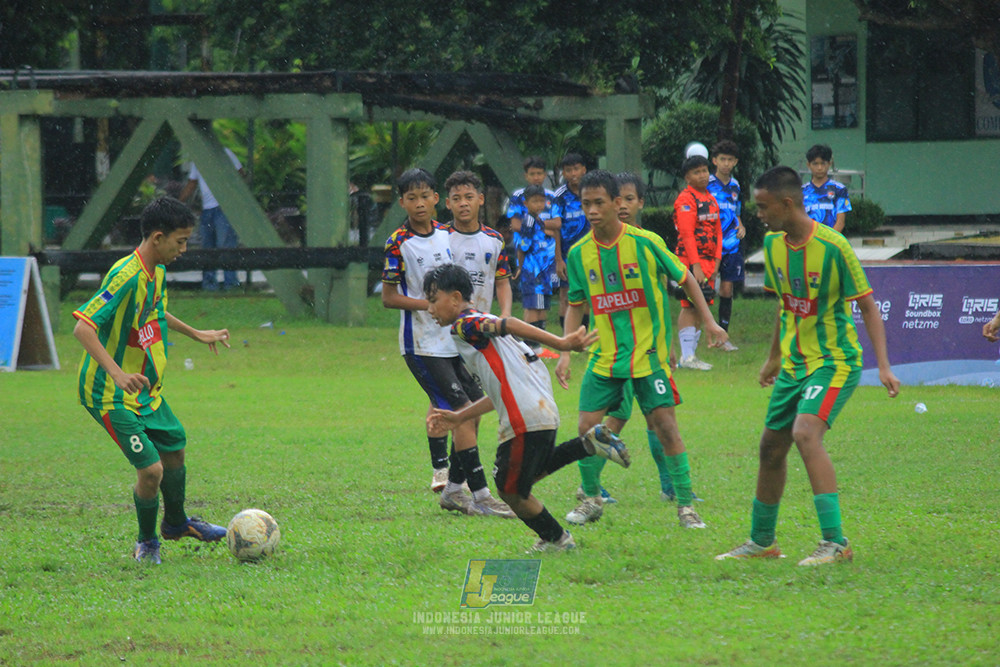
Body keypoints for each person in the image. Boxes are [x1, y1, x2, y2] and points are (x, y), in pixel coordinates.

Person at [716, 166, 900, 566]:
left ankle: (836, 543)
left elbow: (867, 304)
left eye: (764, 207)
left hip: (835, 362)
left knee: (805, 433)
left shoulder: (833, 246)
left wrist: (883, 366)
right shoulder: (774, 245)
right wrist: (773, 357)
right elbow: (786, 307)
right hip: (794, 365)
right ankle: (762, 542)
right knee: (769, 448)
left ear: (787, 203)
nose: (759, 214)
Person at [555, 170, 727, 529]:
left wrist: (709, 321)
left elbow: (686, 278)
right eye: (586, 204)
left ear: (618, 204)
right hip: (605, 359)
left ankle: (685, 505)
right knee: (587, 428)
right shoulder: (578, 254)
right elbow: (575, 304)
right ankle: (591, 499)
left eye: (599, 203)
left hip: (649, 358)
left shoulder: (646, 242)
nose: (592, 211)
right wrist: (566, 351)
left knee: (666, 427)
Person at [424, 263, 630, 552]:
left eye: (433, 300)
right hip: (542, 413)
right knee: (522, 479)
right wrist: (460, 416)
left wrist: (561, 343)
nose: (429, 309)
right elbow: (499, 390)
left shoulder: (465, 324)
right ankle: (587, 445)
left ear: (455, 298)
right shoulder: (482, 324)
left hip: (524, 418)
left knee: (510, 489)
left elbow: (509, 323)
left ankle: (558, 539)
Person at [72, 197, 232, 564]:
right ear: (157, 237)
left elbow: (155, 312)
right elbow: (83, 327)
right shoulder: (125, 276)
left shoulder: (156, 271)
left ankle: (176, 524)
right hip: (110, 393)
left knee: (174, 450)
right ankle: (147, 543)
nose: (184, 249)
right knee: (152, 470)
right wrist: (118, 373)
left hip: (145, 391)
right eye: (180, 241)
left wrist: (198, 334)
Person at [381, 168, 513, 518]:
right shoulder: (398, 242)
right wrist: (430, 305)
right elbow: (389, 298)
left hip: (454, 340)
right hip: (422, 344)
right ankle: (482, 496)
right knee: (460, 413)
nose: (420, 204)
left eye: (425, 196)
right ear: (402, 202)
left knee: (471, 412)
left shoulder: (446, 235)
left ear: (436, 199)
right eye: (412, 198)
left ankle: (454, 489)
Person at [674, 155, 723, 371]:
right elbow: (686, 234)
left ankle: (691, 356)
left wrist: (716, 262)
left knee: (701, 305)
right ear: (687, 177)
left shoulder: (710, 199)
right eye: (697, 172)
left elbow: (718, 233)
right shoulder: (685, 200)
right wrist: (695, 265)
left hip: (709, 262)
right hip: (691, 261)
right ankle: (686, 356)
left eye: (705, 170)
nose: (703, 175)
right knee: (689, 305)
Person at [178, 147, 244, 291]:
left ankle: (230, 284)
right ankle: (209, 285)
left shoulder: (225, 153)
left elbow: (240, 173)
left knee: (226, 247)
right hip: (207, 209)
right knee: (208, 247)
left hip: (224, 207)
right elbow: (192, 183)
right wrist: (178, 203)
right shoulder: (198, 158)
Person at [511, 185, 560, 359]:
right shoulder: (529, 221)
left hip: (544, 268)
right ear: (526, 202)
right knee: (533, 304)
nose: (539, 204)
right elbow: (522, 245)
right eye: (535, 201)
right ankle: (531, 347)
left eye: (541, 200)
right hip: (532, 269)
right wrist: (520, 267)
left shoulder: (538, 220)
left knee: (541, 303)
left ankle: (538, 346)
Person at [707, 140, 745, 351]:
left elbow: (736, 212)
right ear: (715, 161)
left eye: (730, 160)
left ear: (735, 162)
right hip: (710, 244)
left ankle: (723, 334)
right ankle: (701, 332)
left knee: (727, 288)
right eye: (722, 159)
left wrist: (741, 226)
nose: (726, 164)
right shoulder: (707, 183)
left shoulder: (735, 186)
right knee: (706, 287)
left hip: (731, 243)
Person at [551, 153, 590, 329]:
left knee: (590, 292)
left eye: (576, 169)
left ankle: (587, 332)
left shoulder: (592, 191)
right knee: (566, 295)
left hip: (591, 251)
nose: (573, 173)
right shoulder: (559, 196)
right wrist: (559, 260)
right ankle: (567, 337)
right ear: (563, 173)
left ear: (584, 169)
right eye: (568, 170)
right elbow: (555, 229)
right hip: (568, 254)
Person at [802, 144, 852, 233]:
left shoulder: (839, 189)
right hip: (809, 241)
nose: (819, 168)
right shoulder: (801, 191)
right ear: (808, 165)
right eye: (815, 164)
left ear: (829, 164)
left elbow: (840, 222)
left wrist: (829, 241)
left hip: (831, 241)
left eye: (823, 163)